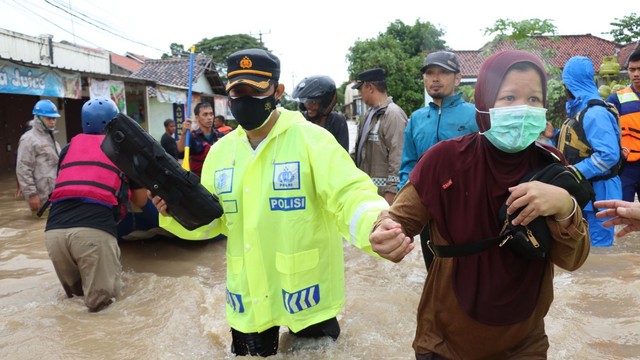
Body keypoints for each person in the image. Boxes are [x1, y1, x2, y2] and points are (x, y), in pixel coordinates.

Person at [152, 48, 389, 357]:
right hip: (248, 297)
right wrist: (174, 211)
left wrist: (376, 223)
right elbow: (211, 223)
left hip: (307, 296)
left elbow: (349, 194)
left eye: (255, 90)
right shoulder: (220, 153)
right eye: (238, 91)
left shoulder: (312, 140)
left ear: (277, 91)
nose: (245, 98)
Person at [369, 50, 590, 359]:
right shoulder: (443, 160)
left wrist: (565, 206)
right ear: (485, 102)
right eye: (509, 97)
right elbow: (399, 220)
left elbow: (573, 260)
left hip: (525, 343)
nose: (523, 109)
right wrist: (385, 232)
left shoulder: (552, 167)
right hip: (445, 342)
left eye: (534, 99)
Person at [44, 97, 148, 312]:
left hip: (53, 233)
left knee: (74, 305)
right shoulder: (125, 151)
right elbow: (140, 201)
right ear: (116, 123)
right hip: (93, 232)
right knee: (103, 312)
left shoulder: (68, 149)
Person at [397, 51, 477, 269]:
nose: (434, 78)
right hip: (428, 210)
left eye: (442, 72)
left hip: (467, 211)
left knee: (470, 270)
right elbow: (409, 166)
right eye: (429, 73)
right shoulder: (417, 119)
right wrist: (402, 204)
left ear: (458, 78)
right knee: (434, 269)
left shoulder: (475, 116)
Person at [557, 55, 622, 247]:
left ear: (570, 84)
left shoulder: (595, 113)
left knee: (600, 248)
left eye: (565, 83)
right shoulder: (581, 111)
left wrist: (574, 172)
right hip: (586, 191)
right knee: (586, 247)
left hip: (600, 193)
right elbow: (577, 144)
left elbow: (609, 155)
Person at [351, 68, 408, 204]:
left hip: (384, 197)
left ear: (369, 87)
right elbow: (359, 152)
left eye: (360, 89)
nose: (360, 93)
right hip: (369, 193)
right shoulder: (369, 115)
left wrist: (391, 192)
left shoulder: (393, 114)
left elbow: (398, 155)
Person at [16, 99, 61, 215]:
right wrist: (32, 195)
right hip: (41, 199)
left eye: (54, 118)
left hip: (56, 197)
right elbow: (23, 169)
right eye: (49, 118)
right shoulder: (29, 139)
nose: (52, 122)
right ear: (38, 118)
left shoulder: (52, 139)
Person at [606, 49, 640, 202]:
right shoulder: (617, 99)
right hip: (627, 165)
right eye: (632, 70)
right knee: (624, 211)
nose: (636, 74)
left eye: (639, 69)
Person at [292, 75, 349, 151]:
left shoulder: (337, 121)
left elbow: (342, 154)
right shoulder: (301, 120)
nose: (308, 106)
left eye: (313, 102)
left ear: (325, 103)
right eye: (306, 102)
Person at [177, 102, 220, 177]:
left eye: (211, 114)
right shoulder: (192, 136)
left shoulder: (220, 136)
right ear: (197, 118)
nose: (209, 117)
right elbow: (180, 153)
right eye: (205, 114)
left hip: (216, 178)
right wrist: (184, 133)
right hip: (199, 181)